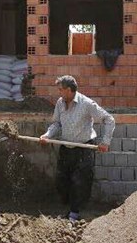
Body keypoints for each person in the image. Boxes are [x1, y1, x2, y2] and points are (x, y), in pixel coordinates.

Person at [39, 75, 115, 222]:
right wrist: (47, 135)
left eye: (61, 90)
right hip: (66, 147)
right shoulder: (60, 103)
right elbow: (57, 124)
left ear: (69, 90)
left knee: (79, 182)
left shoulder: (86, 104)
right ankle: (69, 208)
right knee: (62, 180)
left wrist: (105, 142)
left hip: (83, 148)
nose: (59, 93)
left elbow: (109, 119)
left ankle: (74, 213)